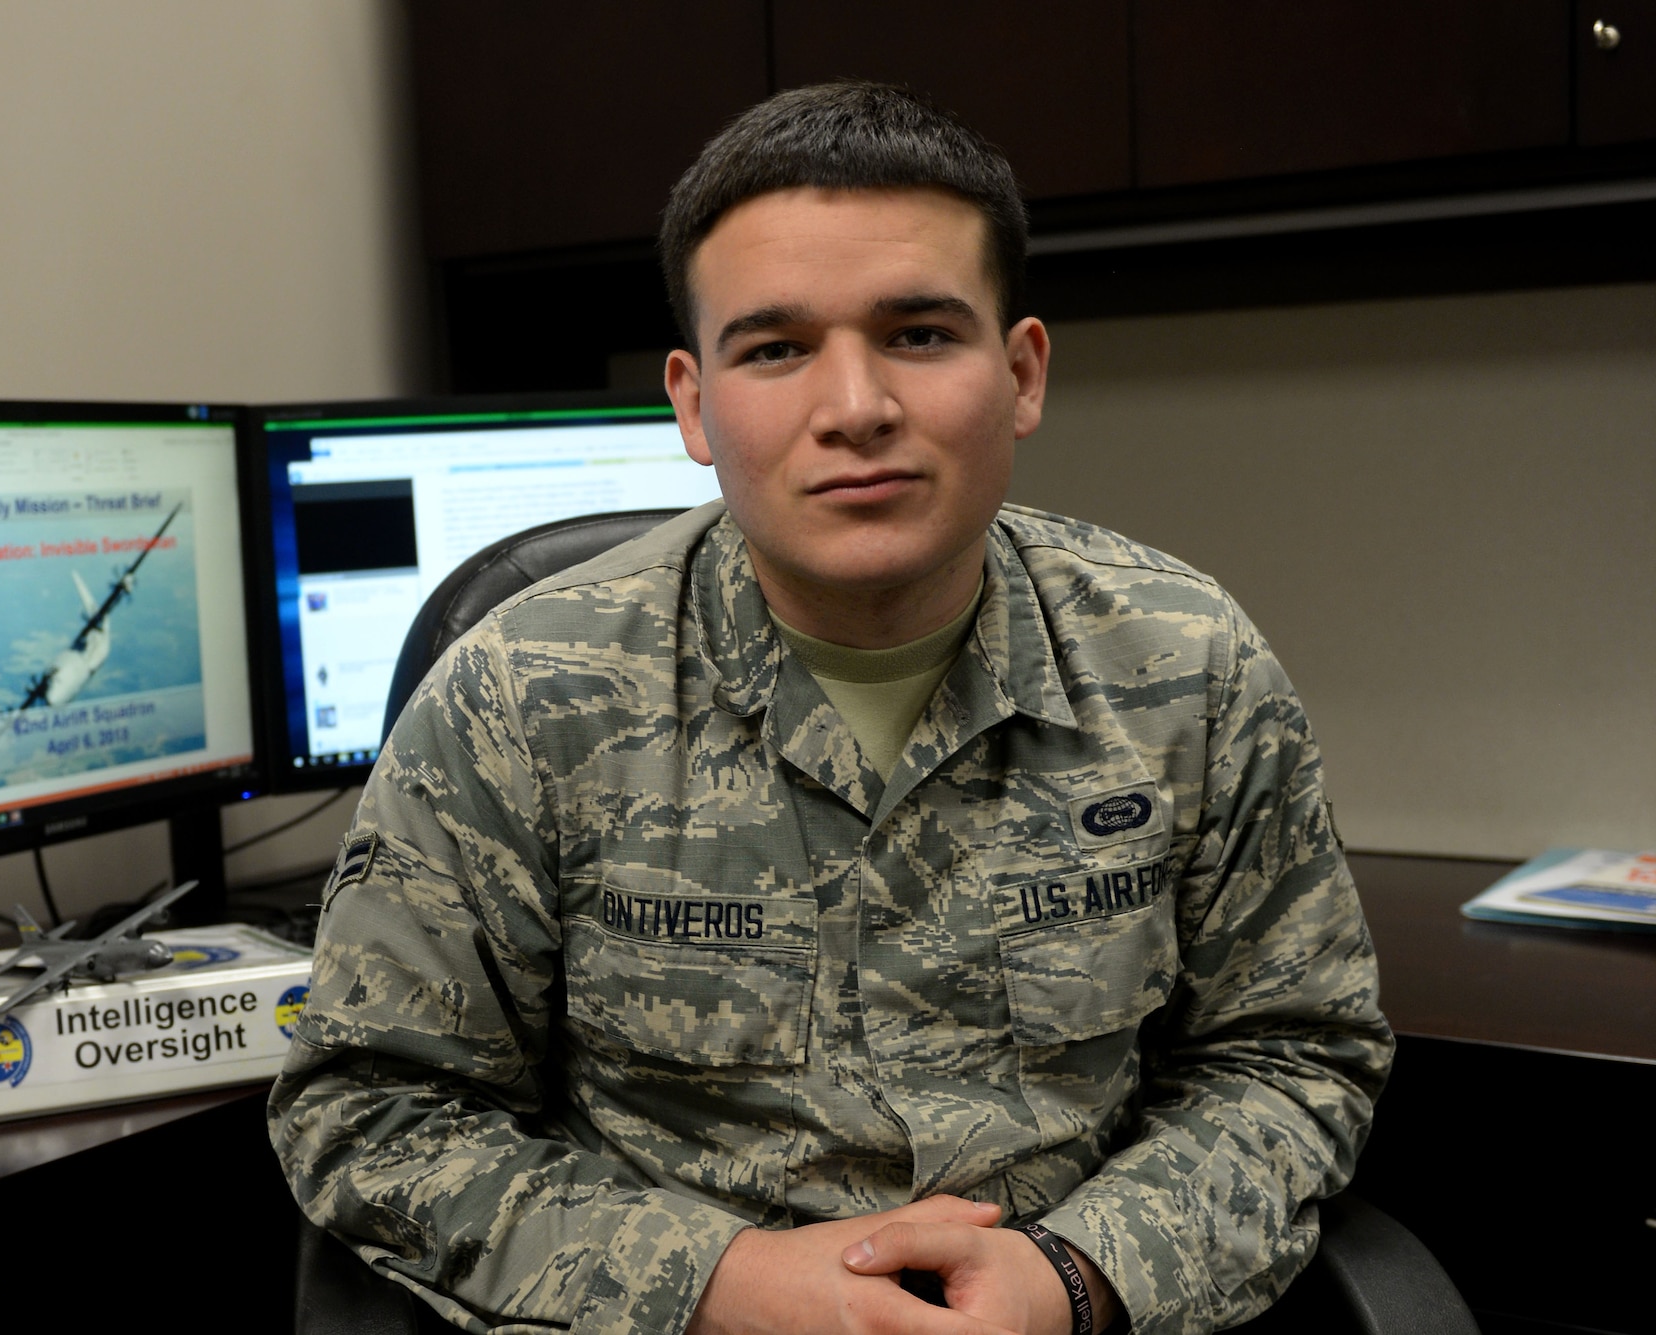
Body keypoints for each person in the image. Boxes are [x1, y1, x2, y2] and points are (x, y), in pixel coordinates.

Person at [270, 82, 1393, 1335]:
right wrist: (716, 1285)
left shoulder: (1187, 668)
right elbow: (372, 1113)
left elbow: (1292, 1061)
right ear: (694, 403)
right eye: (775, 347)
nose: (854, 406)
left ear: (1019, 374)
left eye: (917, 333)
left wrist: (1074, 1280)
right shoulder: (522, 697)